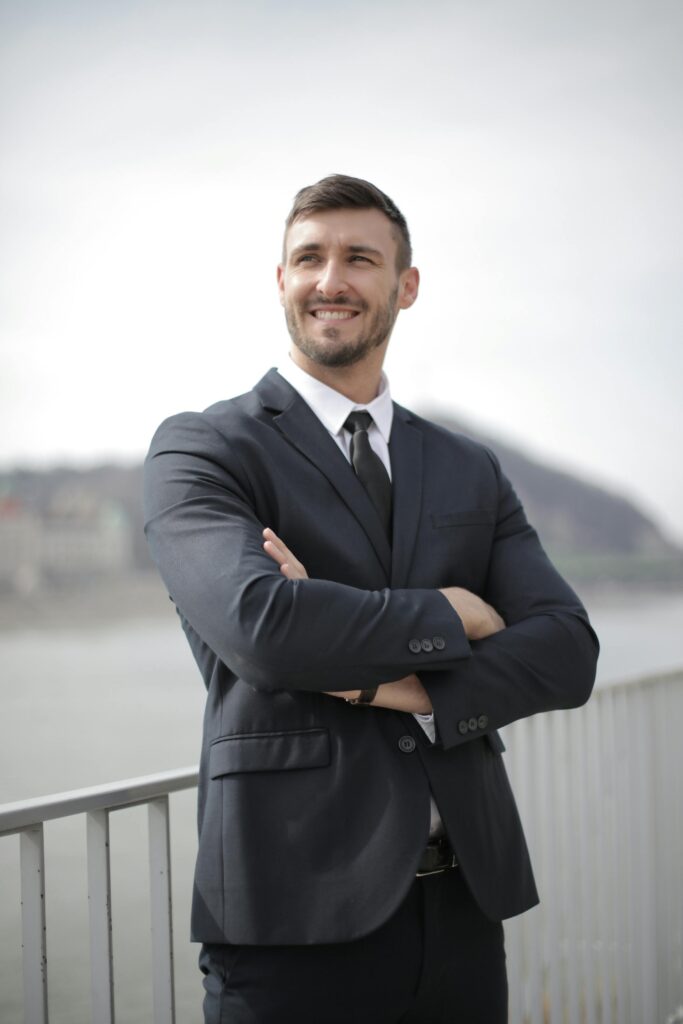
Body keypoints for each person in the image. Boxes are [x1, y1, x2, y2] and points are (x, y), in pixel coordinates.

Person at [143, 173, 599, 1023]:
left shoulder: (469, 465)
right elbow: (264, 629)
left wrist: (368, 675)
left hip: (464, 905)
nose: (331, 280)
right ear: (279, 281)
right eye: (308, 258)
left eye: (359, 257)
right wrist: (453, 614)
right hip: (290, 916)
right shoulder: (203, 448)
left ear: (405, 285)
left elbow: (568, 652)